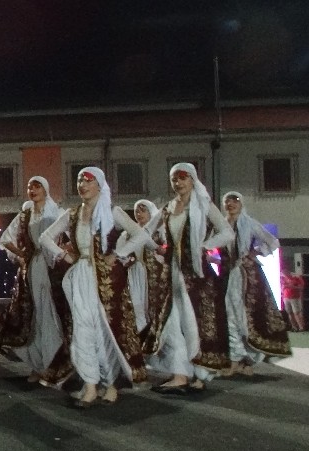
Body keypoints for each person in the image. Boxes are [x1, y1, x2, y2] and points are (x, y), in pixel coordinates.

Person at [40, 167, 150, 407]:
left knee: (106, 330)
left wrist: (118, 254)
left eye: (88, 181)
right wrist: (63, 254)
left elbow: (141, 235)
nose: (82, 185)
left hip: (108, 280)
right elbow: (45, 237)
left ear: (100, 185)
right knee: (82, 330)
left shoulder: (112, 212)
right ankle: (90, 385)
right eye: (79, 180)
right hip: (81, 276)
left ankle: (111, 383)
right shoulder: (72, 214)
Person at [142, 163, 234, 394]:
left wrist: (204, 246)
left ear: (193, 179)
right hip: (171, 273)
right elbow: (144, 232)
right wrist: (156, 247)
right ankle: (180, 375)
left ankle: (199, 376)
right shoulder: (168, 208)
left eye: (183, 178)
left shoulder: (203, 205)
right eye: (174, 179)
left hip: (197, 275)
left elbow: (227, 232)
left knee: (194, 324)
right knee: (171, 324)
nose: (178, 183)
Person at [0, 176, 67, 386]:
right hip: (34, 267)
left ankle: (54, 364)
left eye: (37, 186)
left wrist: (65, 253)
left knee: (52, 315)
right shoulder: (25, 216)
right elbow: (5, 239)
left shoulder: (58, 213)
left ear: (46, 189)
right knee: (35, 316)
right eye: (29, 187)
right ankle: (38, 365)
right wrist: (23, 254)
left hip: (54, 268)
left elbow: (76, 235)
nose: (32, 190)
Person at [219, 191, 291, 375]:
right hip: (227, 275)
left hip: (247, 277)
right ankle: (238, 359)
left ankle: (245, 360)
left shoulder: (249, 223)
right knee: (230, 316)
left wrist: (255, 252)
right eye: (227, 201)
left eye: (235, 200)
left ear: (241, 204)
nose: (231, 204)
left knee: (246, 317)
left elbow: (272, 242)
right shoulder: (221, 226)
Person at [118, 199, 166, 334]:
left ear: (150, 213)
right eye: (136, 211)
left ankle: (154, 334)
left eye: (143, 211)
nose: (139, 214)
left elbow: (166, 250)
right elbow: (120, 252)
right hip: (134, 274)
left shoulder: (159, 232)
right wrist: (127, 260)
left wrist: (161, 252)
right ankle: (141, 334)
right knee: (136, 304)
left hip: (154, 273)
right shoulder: (128, 233)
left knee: (153, 304)